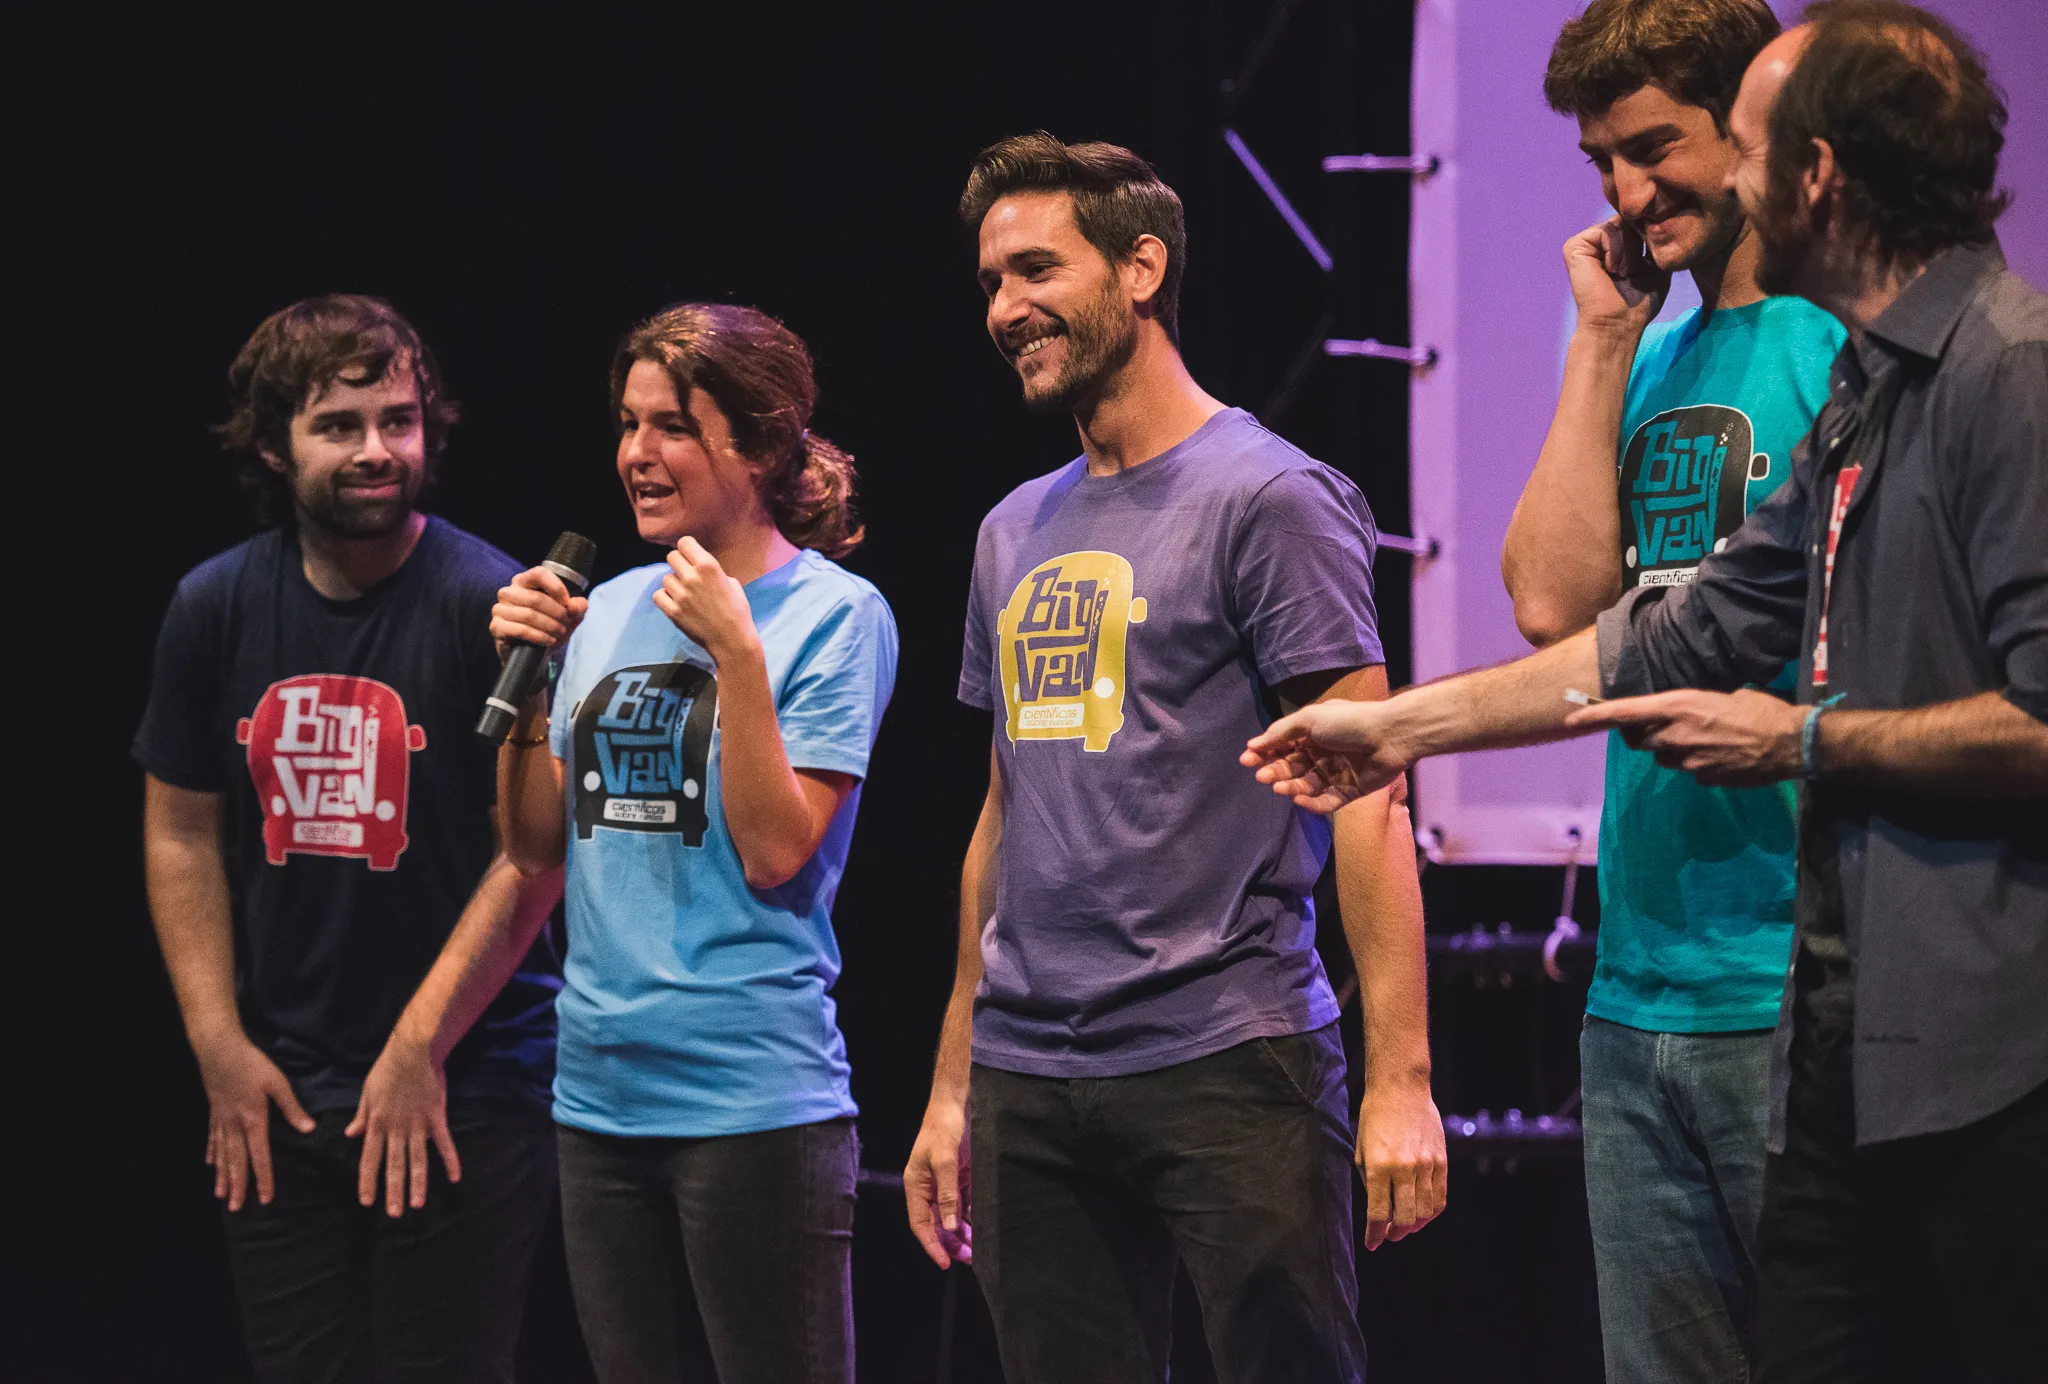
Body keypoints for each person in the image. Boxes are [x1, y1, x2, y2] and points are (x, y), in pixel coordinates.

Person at [1244, 4, 2047, 1377]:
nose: (1628, 194)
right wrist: (1396, 727)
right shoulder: (1800, 374)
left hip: (1891, 1011)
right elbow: (1631, 626)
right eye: (1601, 161)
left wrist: (1800, 740)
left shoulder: (1970, 367)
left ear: (1806, 165)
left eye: (1708, 144)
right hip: (1709, 1005)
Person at [901, 132, 1444, 1384]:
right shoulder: (1009, 529)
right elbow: (1001, 815)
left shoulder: (1269, 495)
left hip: (1226, 1055)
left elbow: (1367, 792)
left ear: (1139, 269)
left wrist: (1400, 1081)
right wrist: (952, 1081)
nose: (1004, 308)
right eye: (989, 281)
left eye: (1036, 269)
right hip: (1029, 1076)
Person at [134, 295, 564, 1384]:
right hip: (282, 1088)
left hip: (465, 1081)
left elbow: (530, 857)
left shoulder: (488, 602)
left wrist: (418, 1049)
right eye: (340, 425)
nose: (378, 450)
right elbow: (181, 829)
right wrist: (218, 1046)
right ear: (275, 448)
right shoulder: (214, 606)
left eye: (399, 420)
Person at [1504, 3, 1843, 1377]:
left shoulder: (1844, 343)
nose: (1627, 193)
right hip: (1635, 989)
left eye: (1654, 148)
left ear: (1750, 131)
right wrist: (1599, 346)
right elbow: (1549, 605)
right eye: (1601, 162)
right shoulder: (1643, 353)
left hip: (1797, 984)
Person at [491, 303, 897, 1384]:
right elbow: (534, 844)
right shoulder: (609, 609)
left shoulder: (836, 615)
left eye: (672, 425)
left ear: (759, 446)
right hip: (596, 1097)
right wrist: (529, 685)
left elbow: (775, 852)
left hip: (751, 1103)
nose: (637, 452)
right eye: (628, 424)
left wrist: (739, 657)